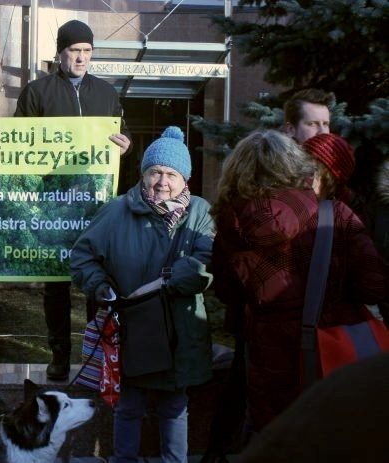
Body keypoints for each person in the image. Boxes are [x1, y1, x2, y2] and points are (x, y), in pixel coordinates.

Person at [210, 129, 388, 438]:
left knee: (279, 439)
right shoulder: (336, 214)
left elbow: (227, 293)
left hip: (267, 358)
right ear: (295, 165)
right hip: (332, 351)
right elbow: (373, 286)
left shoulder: (231, 223)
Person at [71, 126, 214, 462]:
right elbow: (82, 257)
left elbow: (205, 263)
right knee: (129, 407)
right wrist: (100, 286)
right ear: (143, 174)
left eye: (171, 174)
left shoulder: (200, 212)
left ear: (185, 180)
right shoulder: (117, 210)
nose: (162, 182)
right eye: (154, 172)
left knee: (175, 409)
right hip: (131, 330)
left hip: (180, 332)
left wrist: (167, 282)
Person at [14, 19, 132, 380]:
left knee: (97, 283)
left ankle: (96, 352)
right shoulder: (38, 92)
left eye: (87, 51)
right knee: (56, 284)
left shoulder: (106, 93)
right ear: (60, 53)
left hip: (96, 205)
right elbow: (18, 139)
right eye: (74, 51)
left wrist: (126, 145)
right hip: (53, 202)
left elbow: (120, 132)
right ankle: (59, 356)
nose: (81, 58)